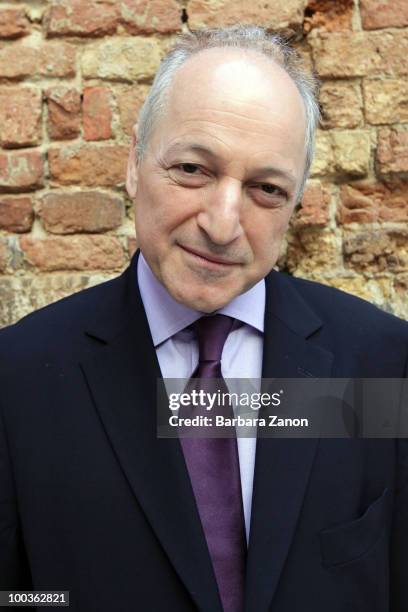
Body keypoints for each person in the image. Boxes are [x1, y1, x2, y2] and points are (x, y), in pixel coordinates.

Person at [0, 24, 407, 612]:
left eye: (265, 188)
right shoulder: (19, 380)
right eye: (193, 169)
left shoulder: (380, 366)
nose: (222, 223)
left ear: (295, 205)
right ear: (135, 162)